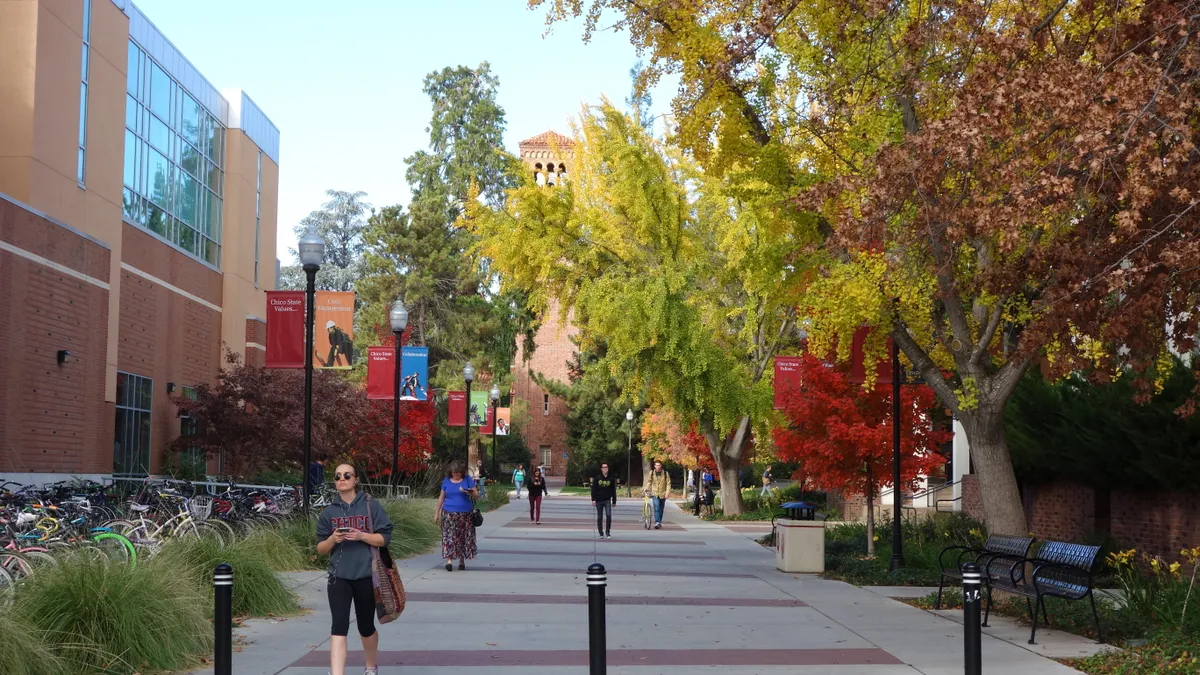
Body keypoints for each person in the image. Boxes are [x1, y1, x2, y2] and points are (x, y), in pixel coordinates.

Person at [315, 463, 393, 675]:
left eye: (347, 475)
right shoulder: (329, 512)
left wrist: (361, 536)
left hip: (366, 575)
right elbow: (321, 549)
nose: (342, 479)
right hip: (338, 577)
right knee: (338, 627)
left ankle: (370, 667)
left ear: (355, 479)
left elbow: (384, 538)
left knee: (365, 626)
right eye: (337, 476)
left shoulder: (370, 506)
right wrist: (333, 538)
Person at [435, 460, 478, 571]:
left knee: (463, 537)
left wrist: (469, 492)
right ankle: (449, 560)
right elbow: (441, 497)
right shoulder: (446, 481)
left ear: (462, 472)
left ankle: (461, 560)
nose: (456, 475)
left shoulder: (467, 480)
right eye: (454, 473)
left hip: (465, 514)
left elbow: (477, 495)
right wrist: (436, 513)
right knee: (449, 537)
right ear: (451, 472)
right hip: (448, 513)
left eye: (458, 472)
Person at [591, 463, 618, 538]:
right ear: (601, 469)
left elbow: (613, 490)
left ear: (608, 468)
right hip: (599, 500)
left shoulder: (611, 478)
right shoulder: (597, 478)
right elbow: (593, 489)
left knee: (608, 516)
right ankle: (601, 533)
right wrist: (593, 499)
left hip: (607, 500)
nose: (605, 469)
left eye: (606, 467)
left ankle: (608, 532)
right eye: (603, 467)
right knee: (600, 517)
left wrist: (614, 501)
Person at [643, 460, 671, 529]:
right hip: (655, 493)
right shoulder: (652, 473)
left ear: (661, 466)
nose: (658, 467)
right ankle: (657, 522)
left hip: (663, 493)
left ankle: (659, 522)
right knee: (657, 507)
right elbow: (649, 482)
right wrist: (646, 488)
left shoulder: (665, 473)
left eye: (659, 465)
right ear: (654, 466)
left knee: (661, 509)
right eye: (656, 465)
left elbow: (668, 484)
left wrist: (667, 493)